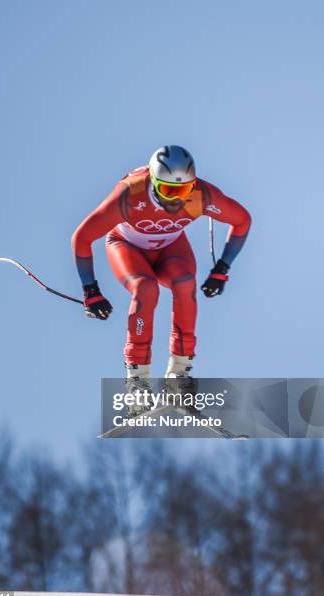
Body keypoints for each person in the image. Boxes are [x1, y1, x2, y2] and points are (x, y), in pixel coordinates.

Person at [72, 145, 251, 410]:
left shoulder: (202, 196)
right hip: (127, 246)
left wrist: (222, 269)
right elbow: (82, 238)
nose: (177, 200)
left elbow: (242, 220)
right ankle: (138, 382)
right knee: (146, 289)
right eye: (169, 190)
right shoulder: (130, 194)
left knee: (184, 283)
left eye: (184, 190)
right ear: (153, 183)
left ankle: (179, 376)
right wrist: (91, 290)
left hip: (170, 248)